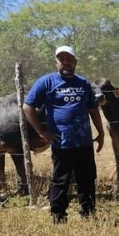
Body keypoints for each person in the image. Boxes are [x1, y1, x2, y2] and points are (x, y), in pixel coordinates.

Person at [23, 45, 104, 224]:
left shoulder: (83, 83)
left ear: (75, 62)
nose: (66, 62)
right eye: (62, 59)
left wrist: (101, 132)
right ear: (56, 62)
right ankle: (58, 216)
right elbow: (28, 106)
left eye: (69, 59)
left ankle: (88, 213)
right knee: (61, 180)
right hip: (61, 142)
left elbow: (93, 108)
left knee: (87, 179)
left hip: (84, 142)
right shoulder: (46, 82)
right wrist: (41, 131)